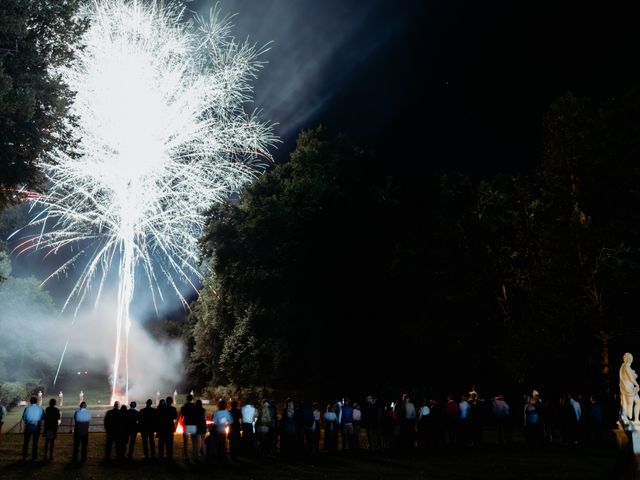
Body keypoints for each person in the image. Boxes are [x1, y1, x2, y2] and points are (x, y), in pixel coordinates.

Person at [22, 396, 45, 460]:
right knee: (35, 442)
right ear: (36, 401)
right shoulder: (40, 409)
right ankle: (34, 456)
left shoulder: (27, 408)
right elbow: (43, 418)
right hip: (36, 426)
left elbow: (24, 418)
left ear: (30, 401)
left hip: (29, 426)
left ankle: (24, 456)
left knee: (26, 442)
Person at [620, 352, 640, 422]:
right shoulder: (626, 367)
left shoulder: (624, 366)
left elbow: (632, 377)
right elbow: (631, 378)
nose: (630, 359)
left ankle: (636, 419)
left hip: (630, 387)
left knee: (637, 401)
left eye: (631, 358)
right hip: (628, 388)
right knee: (629, 403)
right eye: (629, 358)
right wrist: (637, 384)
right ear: (627, 359)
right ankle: (628, 419)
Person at [157, 396, 177, 461]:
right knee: (170, 444)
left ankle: (161, 457)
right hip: (169, 428)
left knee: (161, 443)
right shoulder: (173, 409)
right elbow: (174, 417)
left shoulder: (161, 408)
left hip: (162, 428)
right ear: (171, 402)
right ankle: (169, 457)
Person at [180, 393, 197, 462]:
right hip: (193, 424)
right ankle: (195, 455)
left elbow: (181, 417)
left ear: (187, 399)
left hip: (186, 425)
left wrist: (182, 424)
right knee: (194, 441)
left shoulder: (184, 407)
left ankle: (186, 456)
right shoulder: (195, 406)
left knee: (186, 441)